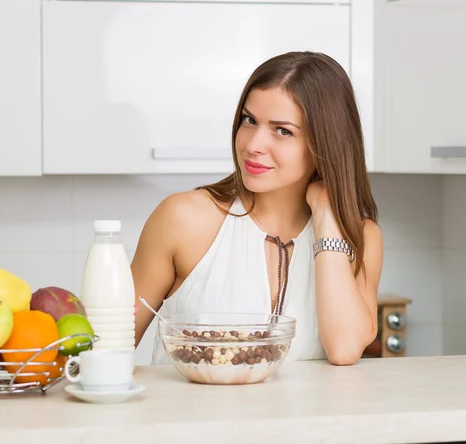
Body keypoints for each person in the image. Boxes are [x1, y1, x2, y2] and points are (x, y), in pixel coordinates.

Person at [131, 51, 383, 366]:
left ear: (325, 144)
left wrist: (327, 216)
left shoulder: (361, 239)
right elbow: (103, 350)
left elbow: (344, 349)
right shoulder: (184, 219)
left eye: (283, 130)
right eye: (249, 120)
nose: (252, 145)